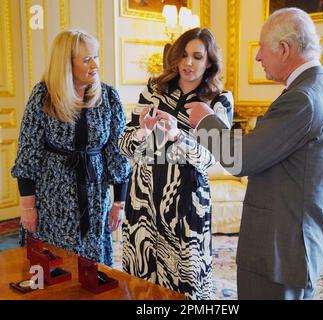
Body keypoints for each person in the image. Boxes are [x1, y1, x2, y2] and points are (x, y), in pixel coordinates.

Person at [187, 8, 323, 300]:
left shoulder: (303, 99)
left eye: (262, 48)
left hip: (279, 253)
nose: (258, 57)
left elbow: (241, 159)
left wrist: (204, 120)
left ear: (285, 49)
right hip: (299, 246)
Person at [118, 27, 233, 299]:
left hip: (186, 202)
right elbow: (125, 147)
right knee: (141, 278)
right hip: (142, 198)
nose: (189, 63)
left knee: (186, 284)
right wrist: (144, 130)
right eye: (183, 55)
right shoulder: (153, 91)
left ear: (209, 63)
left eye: (197, 56)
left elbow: (210, 159)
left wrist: (177, 135)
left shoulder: (218, 101)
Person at [11, 30, 130, 267]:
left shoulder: (108, 96)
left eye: (96, 56)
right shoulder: (44, 95)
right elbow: (28, 153)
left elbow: (118, 153)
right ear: (67, 63)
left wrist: (119, 202)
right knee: (54, 267)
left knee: (93, 269)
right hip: (53, 199)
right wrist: (28, 208)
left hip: (95, 196)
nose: (95, 64)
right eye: (86, 59)